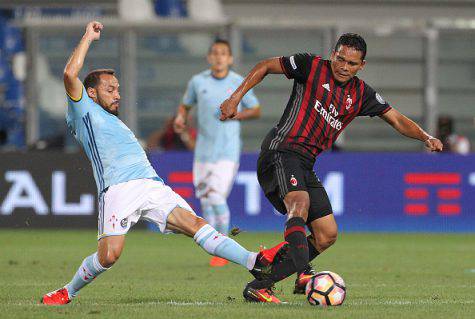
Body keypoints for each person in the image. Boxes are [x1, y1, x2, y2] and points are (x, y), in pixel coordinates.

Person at [40, 21, 286, 306]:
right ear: (91, 93)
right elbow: (70, 73)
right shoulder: (83, 111)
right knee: (109, 256)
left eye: (118, 89)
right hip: (119, 189)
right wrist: (87, 37)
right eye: (110, 90)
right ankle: (66, 292)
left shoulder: (112, 120)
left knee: (195, 224)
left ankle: (255, 260)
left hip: (151, 183)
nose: (117, 94)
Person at [220, 33, 443, 303]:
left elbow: (395, 118)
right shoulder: (310, 66)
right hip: (280, 150)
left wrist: (426, 137)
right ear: (332, 54)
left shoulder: (361, 94)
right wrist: (235, 98)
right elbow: (266, 65)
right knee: (298, 203)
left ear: (362, 65)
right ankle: (304, 273)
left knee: (326, 234)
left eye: (351, 63)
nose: (343, 66)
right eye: (340, 59)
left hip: (305, 163)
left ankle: (260, 285)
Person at [174, 39, 261, 267]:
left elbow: (255, 109)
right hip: (203, 151)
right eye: (215, 53)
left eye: (223, 53)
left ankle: (222, 246)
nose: (219, 57)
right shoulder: (198, 81)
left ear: (230, 58)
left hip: (227, 151)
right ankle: (215, 246)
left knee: (215, 195)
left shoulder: (237, 82)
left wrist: (236, 114)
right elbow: (186, 105)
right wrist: (181, 117)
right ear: (209, 57)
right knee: (204, 198)